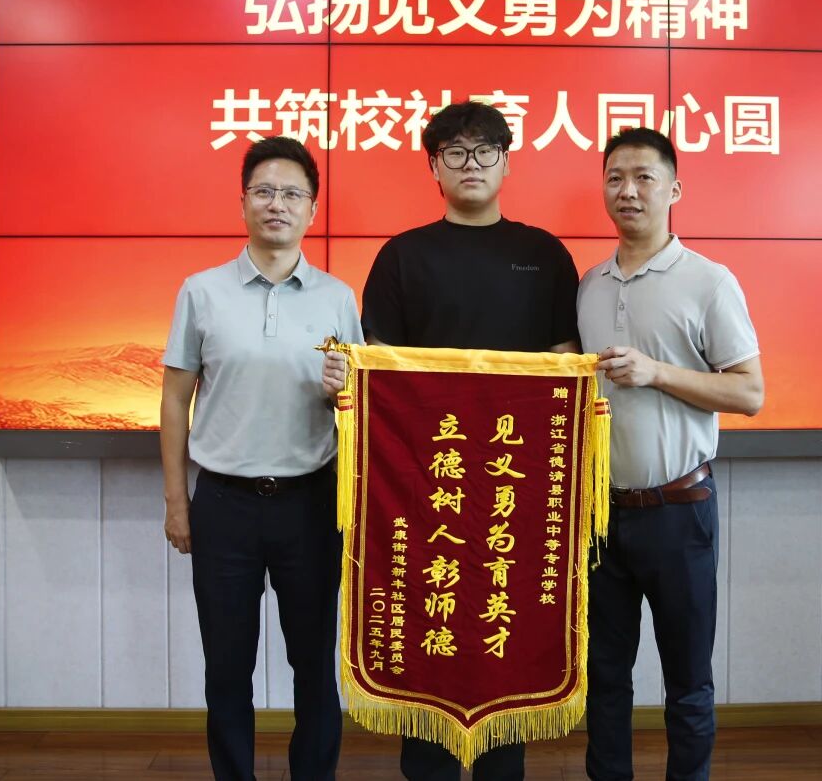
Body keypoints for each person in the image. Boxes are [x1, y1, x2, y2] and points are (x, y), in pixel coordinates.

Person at [322, 100, 580, 781]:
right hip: (425, 485)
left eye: (485, 150)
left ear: (507, 162)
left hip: (516, 487)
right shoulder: (403, 256)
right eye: (456, 153)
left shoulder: (544, 255)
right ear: (433, 167)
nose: (472, 164)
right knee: (427, 630)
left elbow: (565, 359)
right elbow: (380, 370)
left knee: (504, 629)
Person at [161, 136, 363, 781]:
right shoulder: (201, 292)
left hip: (311, 503)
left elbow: (361, 406)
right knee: (227, 668)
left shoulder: (338, 297)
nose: (278, 204)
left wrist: (343, 393)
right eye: (265, 191)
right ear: (244, 201)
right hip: (223, 504)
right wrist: (176, 502)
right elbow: (174, 400)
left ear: (312, 209)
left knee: (314, 666)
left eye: (292, 194)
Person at [577, 127, 764, 781]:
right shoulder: (590, 285)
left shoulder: (709, 281)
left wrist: (656, 372)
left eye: (644, 177)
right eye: (615, 177)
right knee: (604, 678)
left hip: (679, 510)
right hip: (600, 514)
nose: (627, 190)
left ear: (674, 189)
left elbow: (750, 392)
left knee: (687, 680)